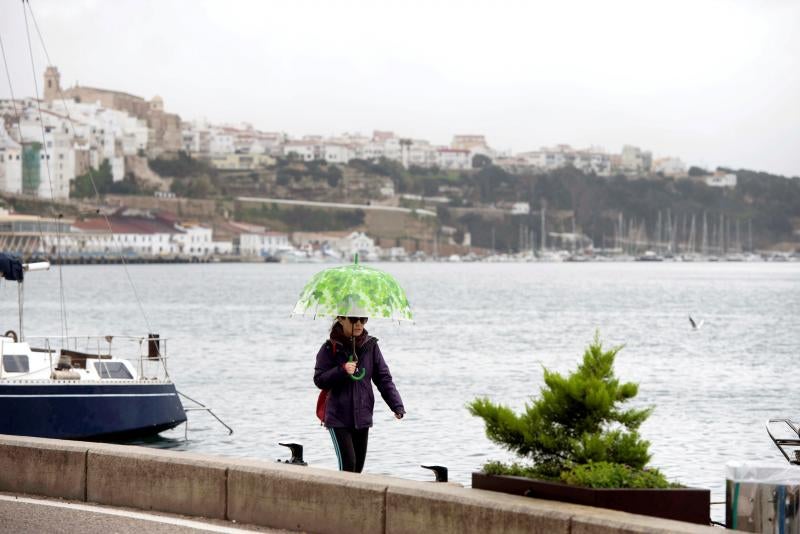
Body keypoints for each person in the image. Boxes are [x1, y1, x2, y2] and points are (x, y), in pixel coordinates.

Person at [314, 315, 405, 473]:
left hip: (362, 417)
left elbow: (383, 378)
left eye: (363, 320)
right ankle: (340, 498)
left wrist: (396, 405)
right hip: (338, 418)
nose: (358, 324)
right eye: (353, 320)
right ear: (341, 319)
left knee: (357, 470)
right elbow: (319, 380)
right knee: (348, 466)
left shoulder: (371, 346)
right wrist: (342, 370)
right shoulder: (330, 348)